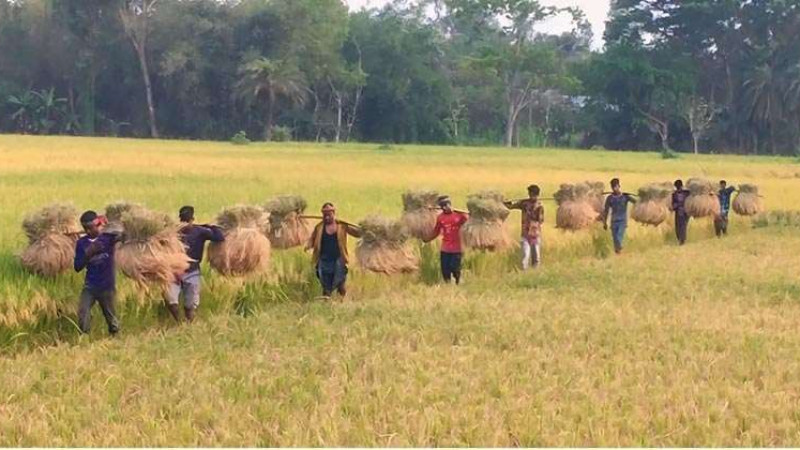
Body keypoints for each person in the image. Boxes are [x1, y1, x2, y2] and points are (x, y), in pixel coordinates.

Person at [163, 206, 224, 323]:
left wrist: (210, 227)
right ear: (180, 220)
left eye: (187, 220)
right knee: (171, 300)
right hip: (173, 272)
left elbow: (219, 237)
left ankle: (189, 324)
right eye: (183, 220)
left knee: (190, 305)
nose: (185, 223)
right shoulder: (172, 232)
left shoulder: (200, 231)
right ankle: (180, 323)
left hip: (192, 271)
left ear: (192, 219)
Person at [74, 210, 121, 336]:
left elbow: (124, 235)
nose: (88, 231)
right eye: (85, 229)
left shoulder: (108, 238)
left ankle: (115, 335)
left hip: (107, 285)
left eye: (90, 228)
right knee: (83, 311)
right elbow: (77, 267)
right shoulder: (81, 243)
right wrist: (88, 254)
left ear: (97, 224)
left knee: (110, 315)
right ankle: (84, 336)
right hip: (90, 285)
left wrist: (112, 228)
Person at [306, 203, 362, 298]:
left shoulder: (342, 226)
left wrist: (365, 231)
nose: (327, 217)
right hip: (324, 259)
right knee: (325, 282)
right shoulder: (319, 227)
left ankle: (342, 300)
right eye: (325, 215)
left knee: (340, 281)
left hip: (338, 258)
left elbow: (356, 233)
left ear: (334, 213)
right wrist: (308, 246)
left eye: (329, 215)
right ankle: (326, 298)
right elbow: (312, 239)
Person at [424, 196, 469, 284]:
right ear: (441, 207)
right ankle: (447, 284)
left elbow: (470, 224)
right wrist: (427, 239)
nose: (446, 207)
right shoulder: (440, 218)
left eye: (447, 205)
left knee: (454, 267)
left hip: (457, 248)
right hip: (445, 248)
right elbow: (436, 231)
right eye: (443, 206)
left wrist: (471, 215)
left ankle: (457, 281)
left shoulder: (460, 215)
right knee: (445, 269)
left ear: (450, 205)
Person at [504, 184, 544, 269]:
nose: (531, 196)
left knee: (536, 258)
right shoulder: (524, 203)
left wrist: (536, 209)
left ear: (537, 195)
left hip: (535, 234)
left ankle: (535, 273)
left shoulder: (540, 205)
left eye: (533, 195)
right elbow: (511, 207)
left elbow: (541, 220)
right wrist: (507, 203)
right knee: (525, 255)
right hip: (525, 233)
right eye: (530, 194)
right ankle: (524, 272)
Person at [602, 178, 637, 254]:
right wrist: (604, 222)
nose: (615, 188)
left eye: (616, 186)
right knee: (615, 239)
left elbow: (636, 202)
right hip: (613, 221)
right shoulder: (609, 198)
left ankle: (619, 249)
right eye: (613, 187)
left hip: (622, 221)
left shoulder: (625, 197)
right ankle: (618, 255)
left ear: (619, 186)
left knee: (619, 237)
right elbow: (606, 211)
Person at [671, 179, 691, 245]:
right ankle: (680, 239)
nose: (677, 188)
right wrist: (674, 206)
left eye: (678, 187)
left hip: (685, 212)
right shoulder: (674, 194)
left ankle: (682, 241)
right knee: (678, 227)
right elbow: (673, 204)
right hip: (678, 213)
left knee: (682, 226)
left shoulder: (686, 193)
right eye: (677, 187)